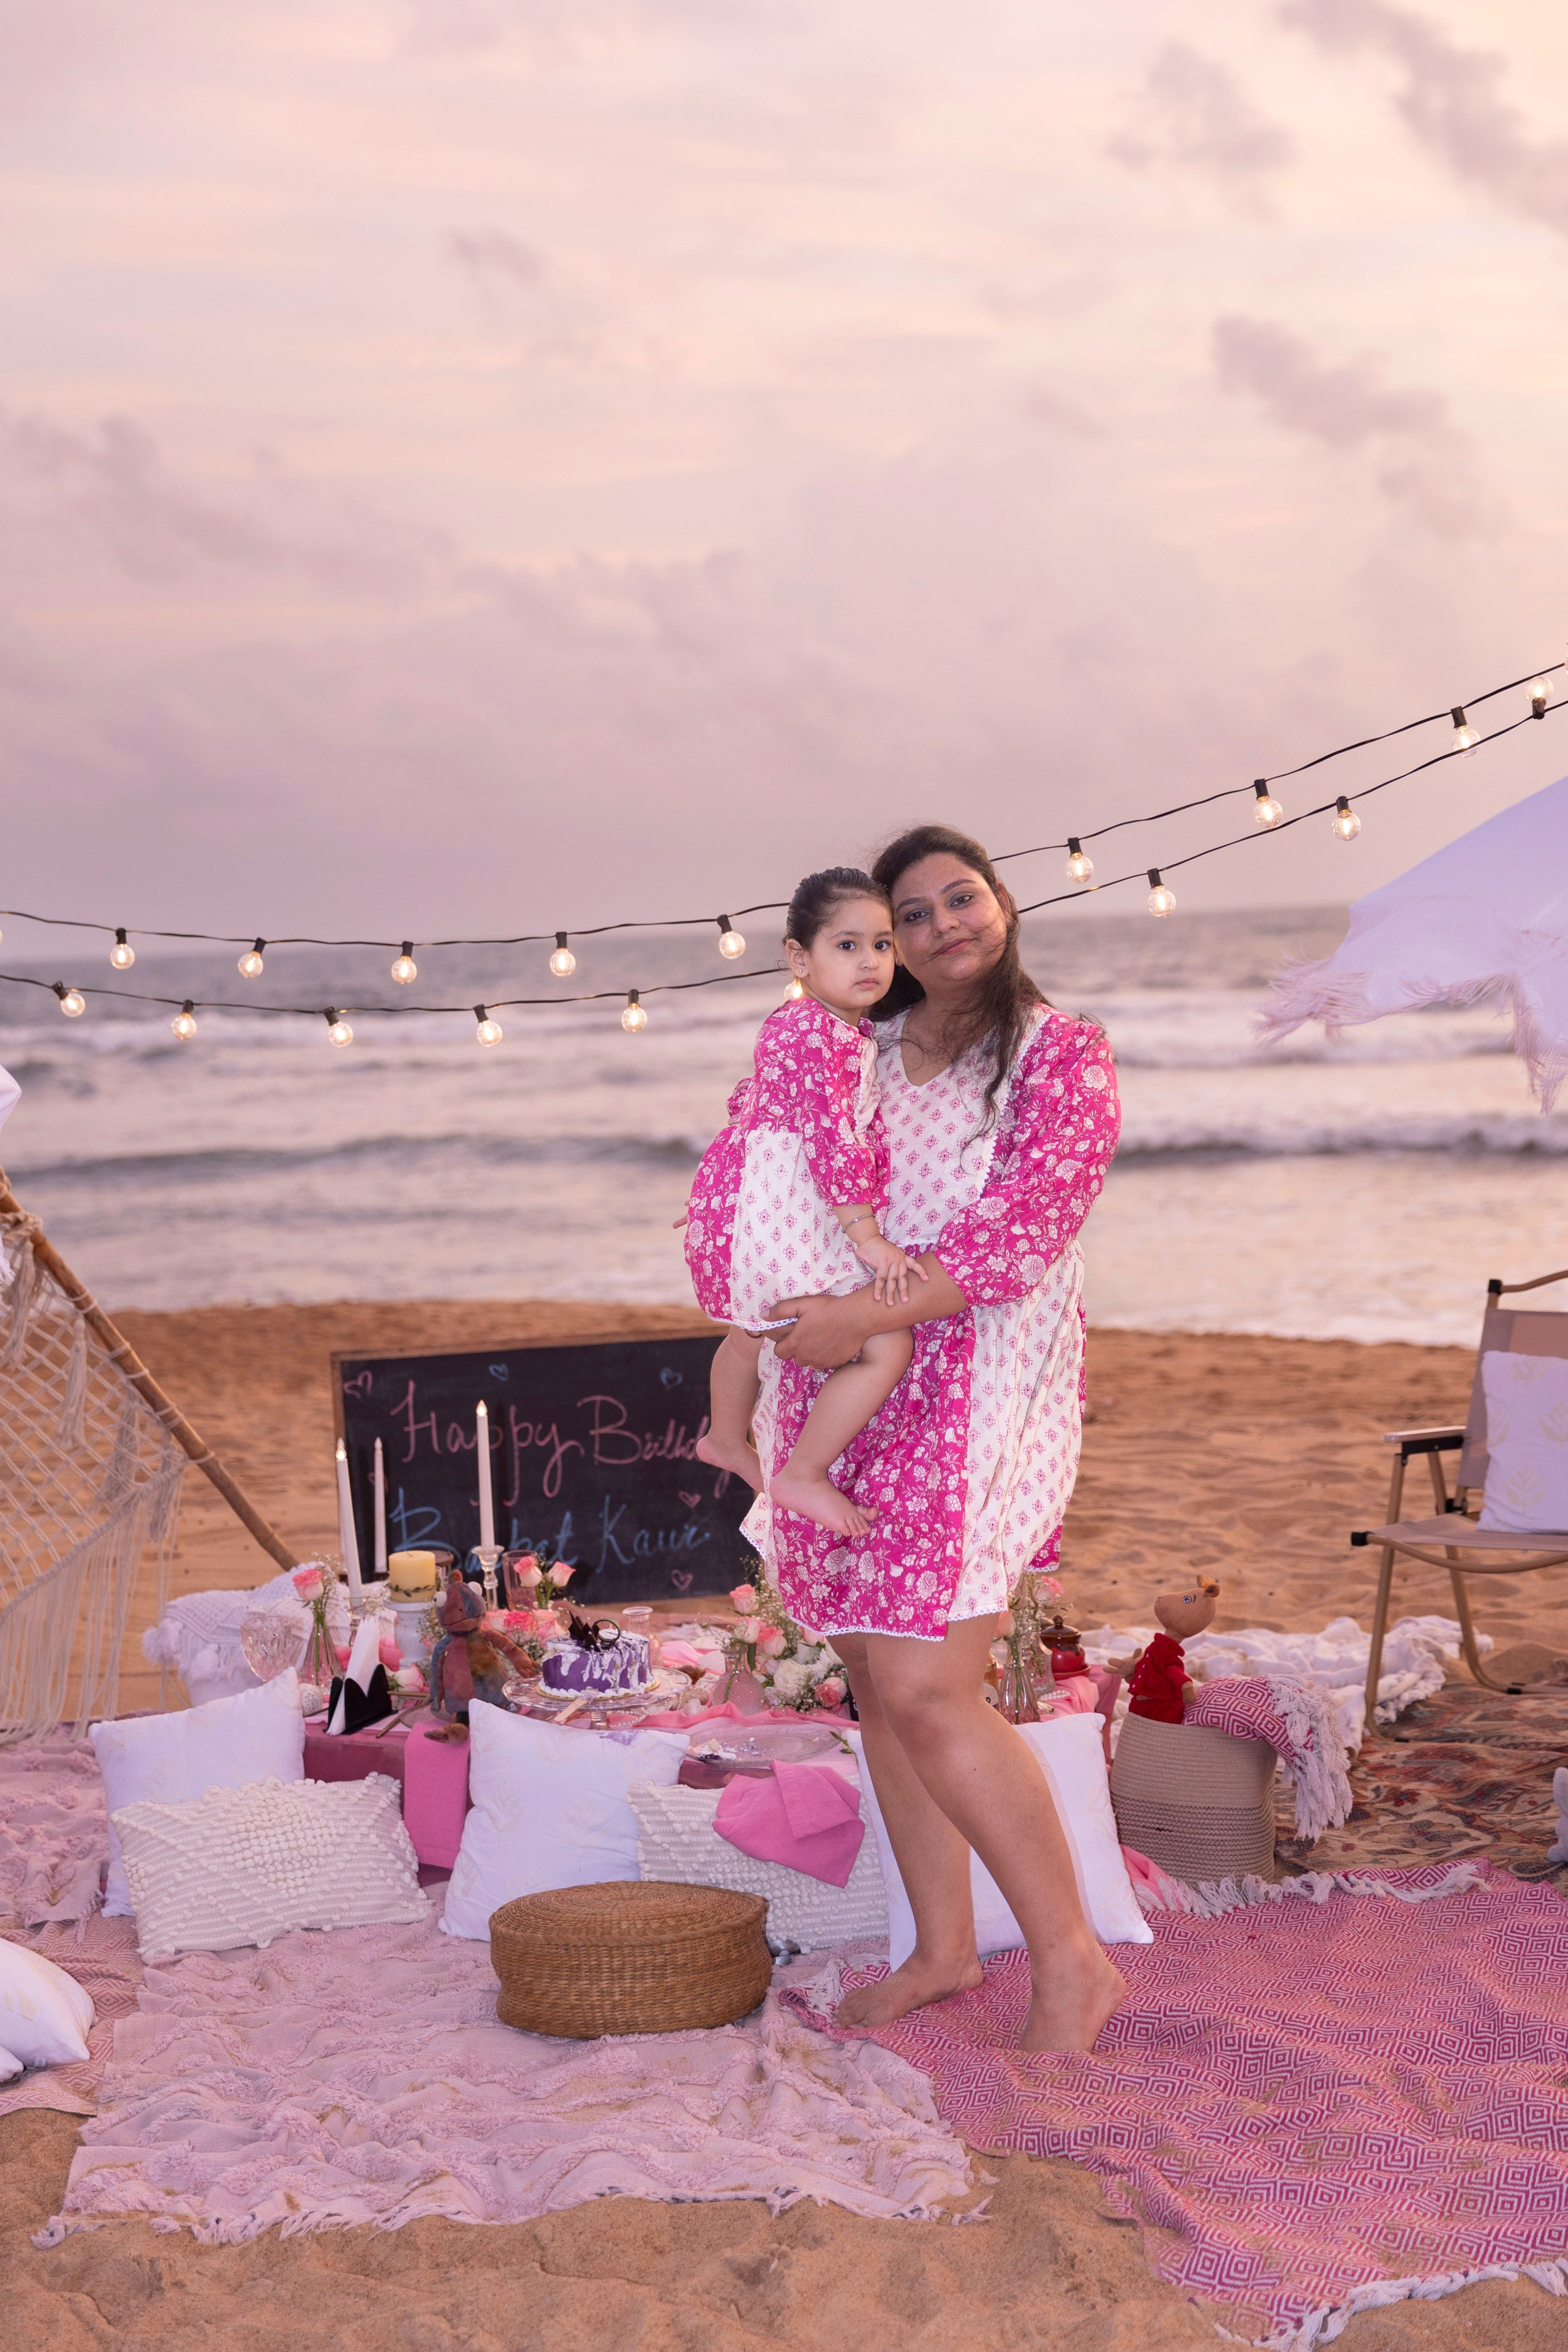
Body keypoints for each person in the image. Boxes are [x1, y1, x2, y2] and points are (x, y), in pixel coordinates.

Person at [746, 824, 1126, 2052]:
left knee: (926, 1686)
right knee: (874, 1676)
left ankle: (1072, 1963)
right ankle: (943, 1948)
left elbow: (1022, 1234)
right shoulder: (856, 1049)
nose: (942, 926)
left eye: (960, 898)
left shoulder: (1058, 1052)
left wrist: (859, 1316)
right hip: (850, 1382)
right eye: (911, 914)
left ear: (1001, 901)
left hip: (979, 1389)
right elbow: (784, 1176)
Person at [684, 868, 927, 1539]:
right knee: (886, 1342)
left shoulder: (811, 1026)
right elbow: (830, 1139)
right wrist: (868, 1238)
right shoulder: (816, 1034)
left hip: (766, 1206)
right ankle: (803, 1473)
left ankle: (725, 1438)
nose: (870, 961)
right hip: (790, 1214)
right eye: (847, 945)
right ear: (800, 957)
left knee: (748, 1333)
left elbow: (751, 1106)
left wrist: (721, 1196)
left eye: (881, 944)